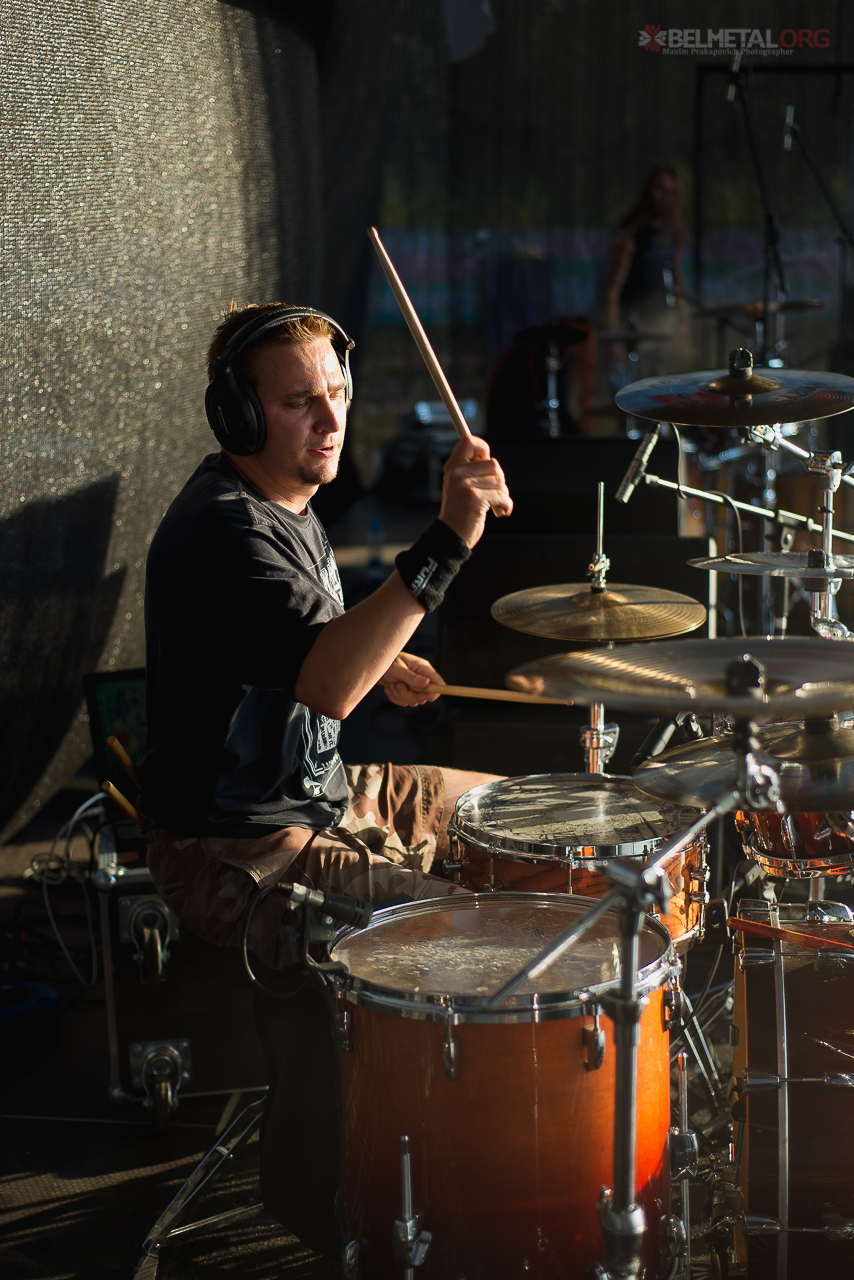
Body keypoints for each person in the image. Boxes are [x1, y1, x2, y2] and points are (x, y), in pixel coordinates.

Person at [136, 302, 513, 974]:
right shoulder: (223, 529)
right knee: (490, 933)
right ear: (238, 416)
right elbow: (331, 687)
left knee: (529, 820)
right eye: (299, 402)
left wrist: (379, 655)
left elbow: (296, 635)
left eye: (337, 393)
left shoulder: (288, 503)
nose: (332, 421)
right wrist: (449, 538)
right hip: (239, 848)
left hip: (325, 795)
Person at [603, 165, 689, 382]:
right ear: (648, 191)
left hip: (663, 325)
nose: (665, 197)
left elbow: (677, 282)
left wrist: (683, 323)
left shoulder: (674, 232)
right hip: (634, 326)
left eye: (671, 192)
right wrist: (614, 339)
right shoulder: (631, 235)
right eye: (660, 190)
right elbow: (612, 291)